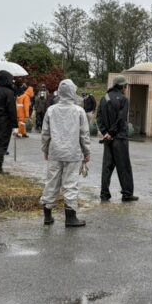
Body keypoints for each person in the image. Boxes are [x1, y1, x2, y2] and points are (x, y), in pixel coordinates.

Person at [40, 79, 91, 227]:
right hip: (73, 153)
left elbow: (45, 133)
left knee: (51, 182)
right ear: (73, 92)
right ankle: (70, 217)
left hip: (55, 152)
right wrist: (86, 152)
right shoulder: (79, 111)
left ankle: (47, 216)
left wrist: (45, 149)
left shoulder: (51, 110)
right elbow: (84, 134)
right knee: (70, 184)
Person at [97, 76, 137, 202]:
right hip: (120, 138)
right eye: (126, 86)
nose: (126, 89)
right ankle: (127, 194)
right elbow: (121, 118)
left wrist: (105, 132)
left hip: (108, 139)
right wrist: (111, 132)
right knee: (124, 166)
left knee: (107, 167)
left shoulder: (104, 98)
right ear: (123, 87)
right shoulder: (124, 99)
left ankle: (104, 194)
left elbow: (99, 117)